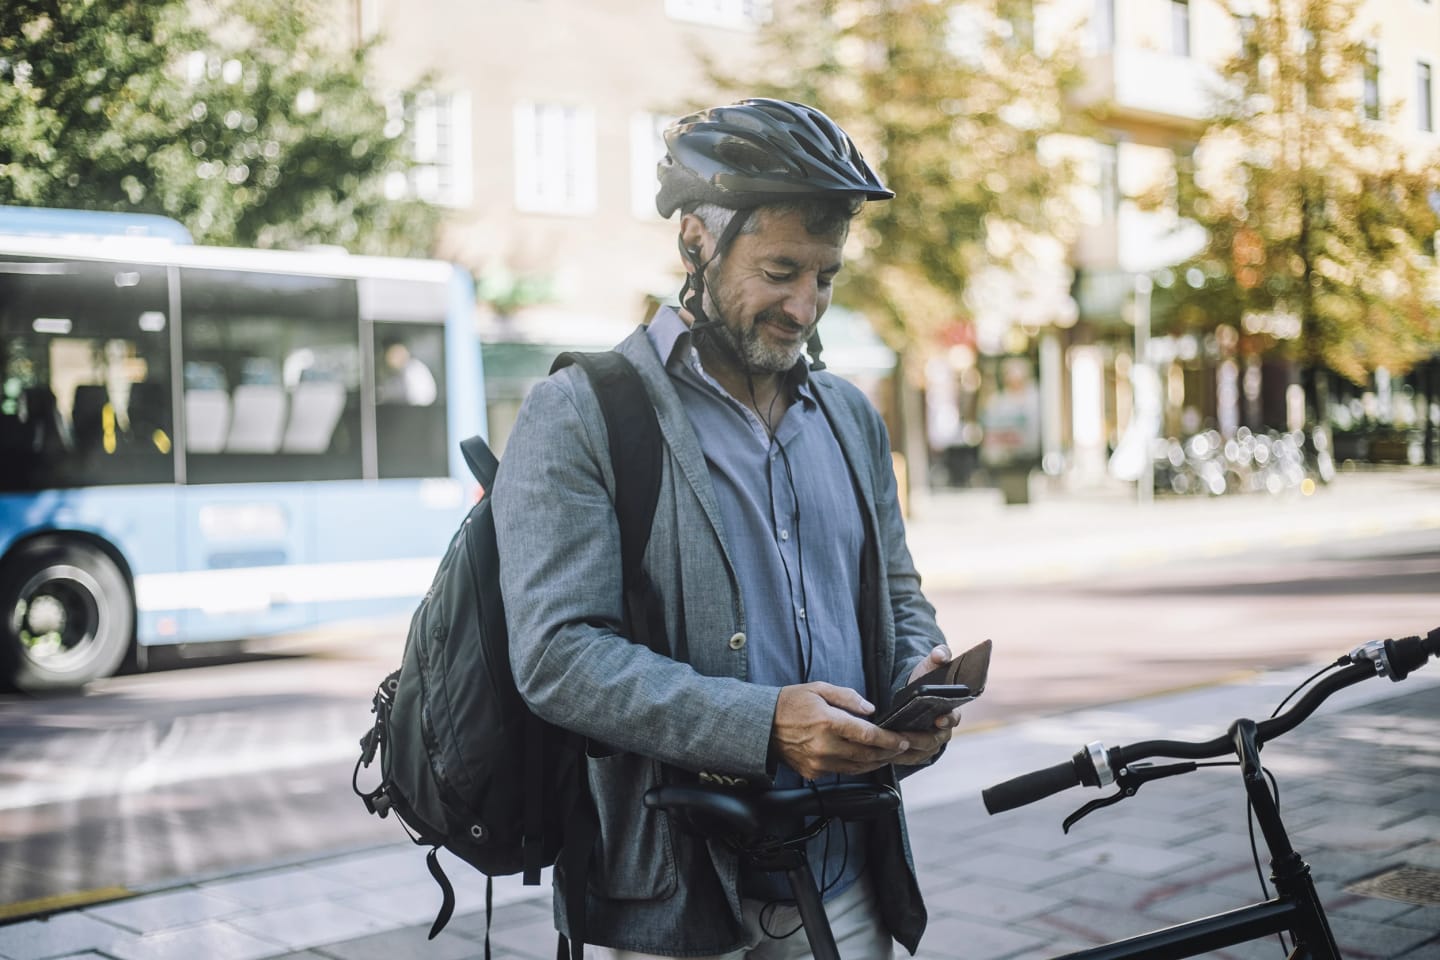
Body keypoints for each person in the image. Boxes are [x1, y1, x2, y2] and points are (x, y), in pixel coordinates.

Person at [493, 98, 960, 959]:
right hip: (674, 896)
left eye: (826, 276)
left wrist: (917, 681)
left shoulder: (850, 417)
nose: (804, 306)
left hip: (844, 875)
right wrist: (762, 724)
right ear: (695, 245)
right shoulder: (579, 412)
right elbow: (557, 655)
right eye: (780, 269)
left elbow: (895, 592)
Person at [376, 335, 437, 406]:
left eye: (395, 353)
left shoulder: (415, 369)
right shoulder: (394, 373)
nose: (392, 359)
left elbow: (424, 398)